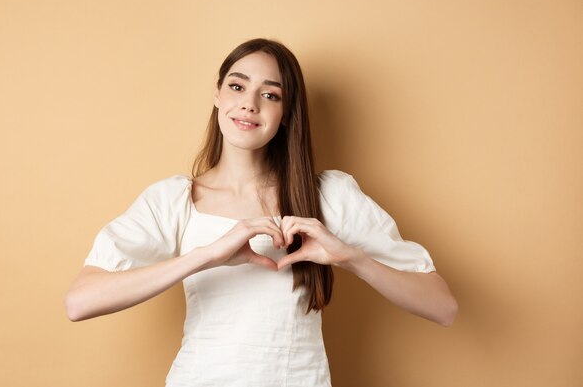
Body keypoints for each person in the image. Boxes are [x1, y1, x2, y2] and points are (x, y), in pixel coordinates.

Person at [65, 38, 457, 386]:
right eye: (237, 86)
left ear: (287, 114)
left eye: (270, 95)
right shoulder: (175, 200)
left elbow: (442, 307)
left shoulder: (328, 196)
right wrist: (206, 256)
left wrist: (350, 257)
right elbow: (80, 302)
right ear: (217, 94)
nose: (249, 104)